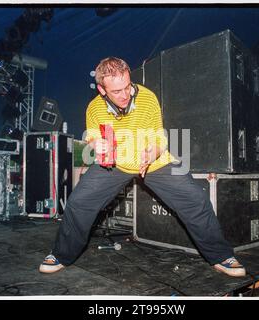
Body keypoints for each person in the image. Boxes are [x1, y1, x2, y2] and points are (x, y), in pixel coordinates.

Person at [39, 57, 246, 277]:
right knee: (78, 202)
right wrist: (94, 144)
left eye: (128, 86)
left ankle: (221, 256)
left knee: (195, 198)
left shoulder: (147, 97)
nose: (125, 94)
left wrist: (153, 152)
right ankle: (61, 255)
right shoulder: (94, 108)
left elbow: (159, 137)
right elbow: (92, 137)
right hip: (116, 163)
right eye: (117, 91)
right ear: (102, 89)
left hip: (153, 161)